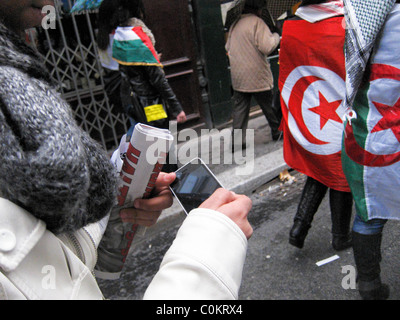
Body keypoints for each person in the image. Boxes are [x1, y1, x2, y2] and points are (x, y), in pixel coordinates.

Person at [0, 0, 252, 300]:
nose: (52, 4)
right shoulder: (133, 33)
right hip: (154, 105)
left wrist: (117, 209)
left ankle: (165, 172)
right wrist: (211, 248)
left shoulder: (111, 38)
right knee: (161, 142)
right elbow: (157, 76)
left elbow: (44, 254)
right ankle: (170, 171)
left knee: (149, 146)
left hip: (136, 104)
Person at [278, 0, 353, 250]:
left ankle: (299, 228)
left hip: (308, 111)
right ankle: (340, 236)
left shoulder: (291, 26)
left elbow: (286, 70)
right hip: (338, 107)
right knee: (340, 171)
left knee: (318, 168)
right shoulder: (344, 23)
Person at [341, 0, 399, 300]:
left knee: (369, 212)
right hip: (383, 129)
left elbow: (351, 71)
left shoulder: (360, 13)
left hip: (369, 131)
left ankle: (368, 285)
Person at [106, 0, 186, 172]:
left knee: (142, 140)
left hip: (131, 100)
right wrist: (177, 108)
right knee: (162, 140)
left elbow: (129, 71)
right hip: (150, 103)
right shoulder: (139, 39)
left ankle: (144, 174)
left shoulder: (119, 39)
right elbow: (158, 80)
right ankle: (170, 176)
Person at [226, 0, 281, 150]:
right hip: (257, 74)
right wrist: (276, 35)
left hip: (238, 75)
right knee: (269, 105)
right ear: (256, 9)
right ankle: (277, 131)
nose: (262, 12)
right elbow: (267, 46)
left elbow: (227, 46)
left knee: (240, 109)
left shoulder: (234, 24)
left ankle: (237, 141)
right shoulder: (257, 22)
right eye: (261, 9)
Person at [97, 0, 137, 138]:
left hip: (118, 89)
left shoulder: (102, 39)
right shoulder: (122, 36)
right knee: (144, 125)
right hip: (134, 87)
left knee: (135, 123)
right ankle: (129, 153)